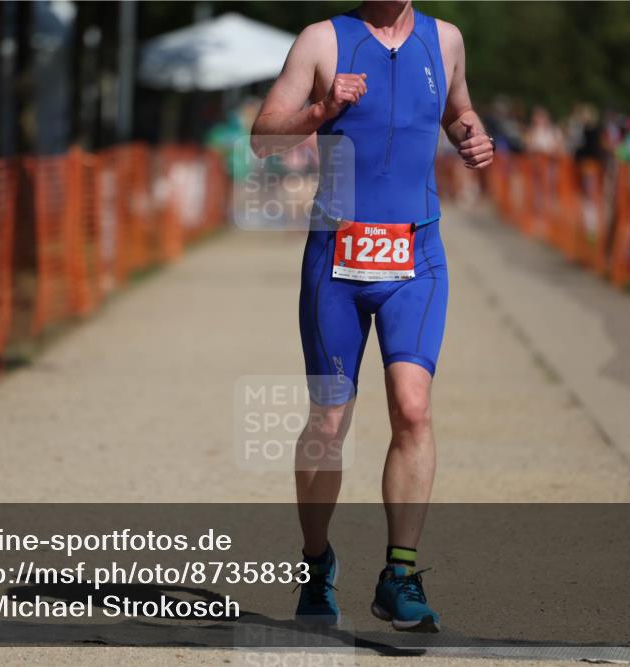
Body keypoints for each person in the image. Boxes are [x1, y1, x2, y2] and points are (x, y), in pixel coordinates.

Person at [251, 0, 492, 632]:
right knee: (329, 422)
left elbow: (458, 108)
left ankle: (399, 576)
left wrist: (471, 133)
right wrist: (320, 111)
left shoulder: (447, 40)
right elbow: (263, 135)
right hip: (337, 254)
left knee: (413, 406)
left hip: (417, 255)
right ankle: (315, 562)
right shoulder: (323, 41)